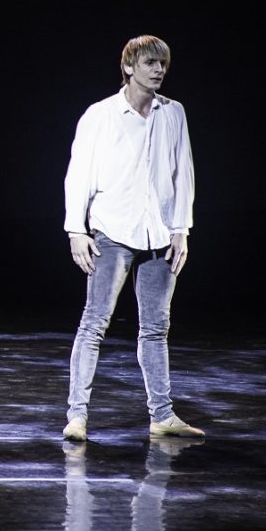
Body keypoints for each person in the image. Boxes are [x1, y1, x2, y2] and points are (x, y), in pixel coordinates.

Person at [61, 34, 203, 443]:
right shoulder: (101, 114)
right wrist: (76, 229)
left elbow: (183, 172)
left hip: (159, 233)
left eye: (162, 64)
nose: (158, 70)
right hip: (113, 230)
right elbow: (79, 173)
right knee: (94, 324)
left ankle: (162, 415)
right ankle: (77, 416)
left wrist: (181, 229)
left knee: (156, 328)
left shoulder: (173, 112)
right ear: (129, 67)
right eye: (149, 63)